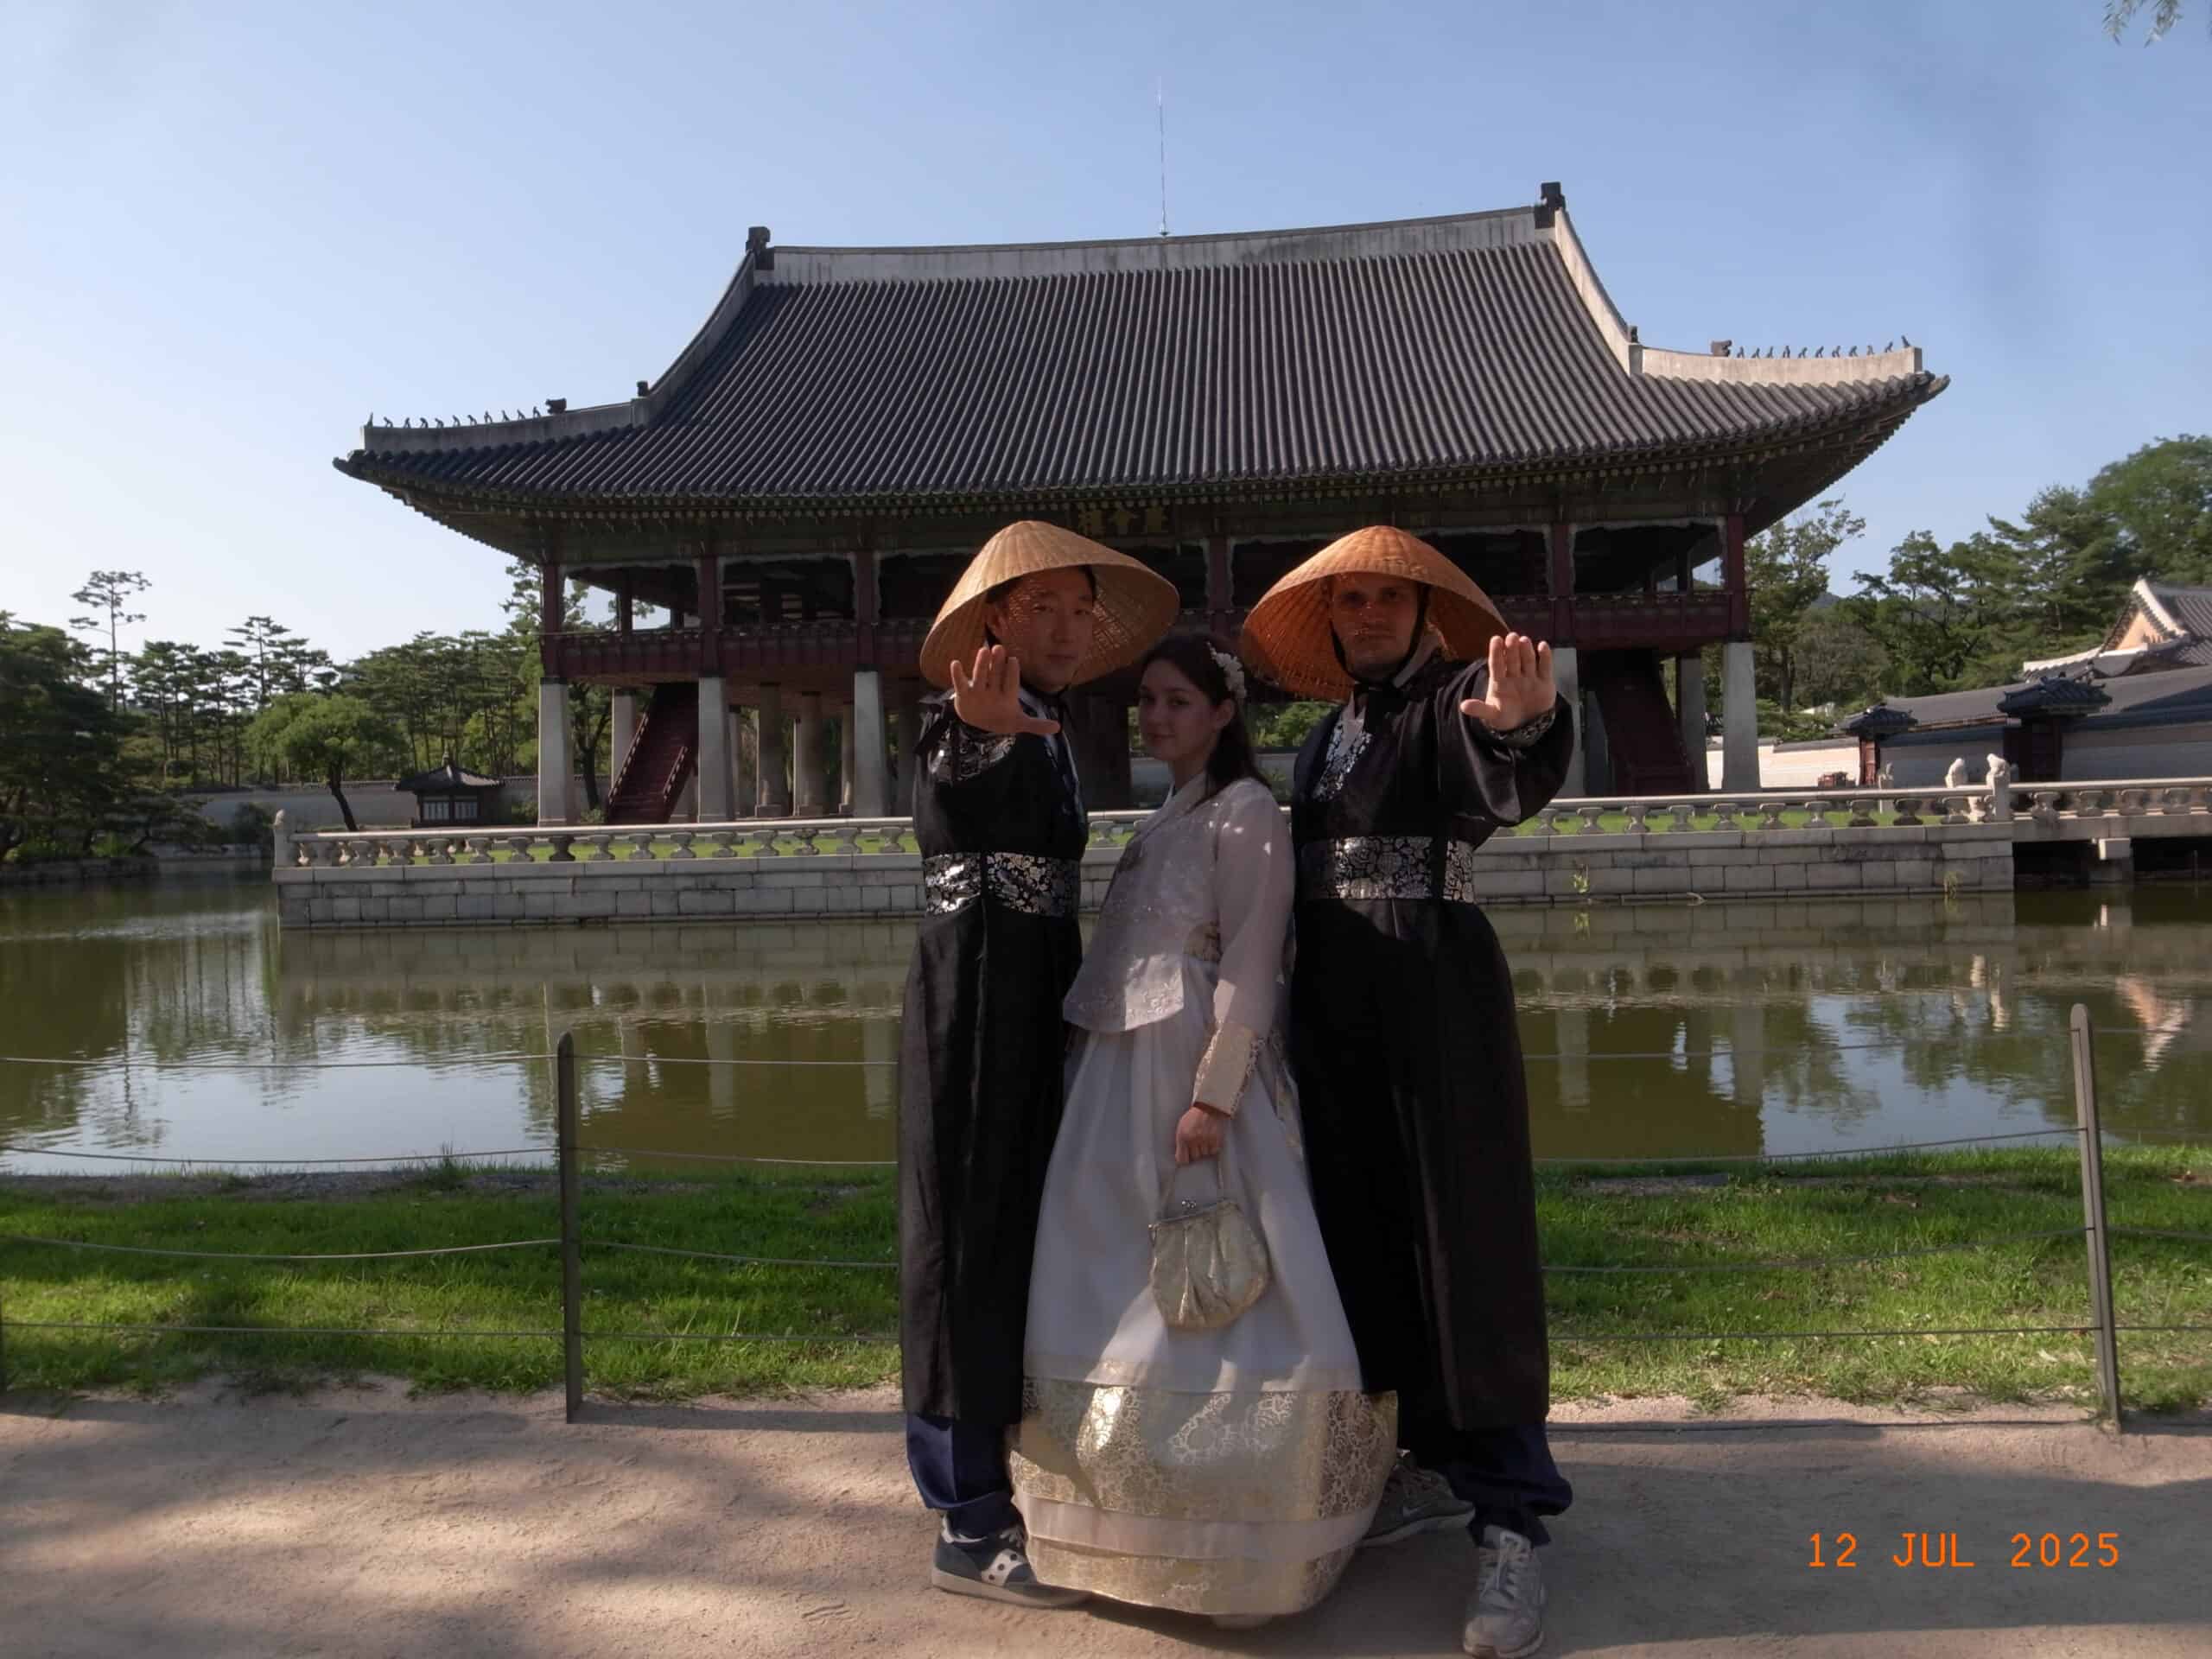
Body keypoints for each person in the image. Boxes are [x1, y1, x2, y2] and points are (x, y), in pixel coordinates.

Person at [1009, 634, 1395, 1626]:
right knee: (1108, 1272)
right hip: (1112, 1069)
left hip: (1189, 1061)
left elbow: (1255, 957)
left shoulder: (1248, 811)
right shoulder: (1162, 816)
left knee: (1226, 1277)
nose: (1158, 717)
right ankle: (1118, 1522)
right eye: (1147, 701)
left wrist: (1216, 1094)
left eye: (1180, 700)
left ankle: (1244, 1537)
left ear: (1225, 712)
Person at [1241, 525, 1577, 1659]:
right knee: (1362, 1235)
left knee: (1463, 1232)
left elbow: (1501, 774)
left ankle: (1511, 1514)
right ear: (1330, 622)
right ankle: (1412, 1458)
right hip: (1334, 1003)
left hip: (1435, 994)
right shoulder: (1329, 730)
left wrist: (1518, 723)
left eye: (1389, 599)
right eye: (1351, 603)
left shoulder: (1450, 704)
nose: (1370, 616)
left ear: (1429, 615)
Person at [898, 519, 1179, 1606]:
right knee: (961, 1242)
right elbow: (952, 781)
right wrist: (980, 734)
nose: (1067, 626)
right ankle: (965, 1522)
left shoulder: (1051, 723)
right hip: (969, 1007)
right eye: (1043, 607)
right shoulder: (962, 717)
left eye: (1080, 609)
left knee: (1023, 1230)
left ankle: (1011, 1477)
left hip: (1034, 1000)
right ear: (996, 618)